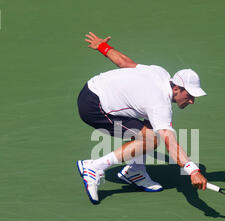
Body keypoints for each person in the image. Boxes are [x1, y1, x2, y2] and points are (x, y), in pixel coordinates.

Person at [77, 32, 208, 204]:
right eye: (190, 95)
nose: (192, 101)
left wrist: (102, 46)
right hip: (94, 107)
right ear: (176, 89)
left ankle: (135, 171)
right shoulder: (159, 104)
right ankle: (94, 167)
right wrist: (193, 170)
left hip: (92, 88)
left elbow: (124, 63)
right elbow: (171, 144)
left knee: (150, 129)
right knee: (151, 140)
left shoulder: (161, 73)